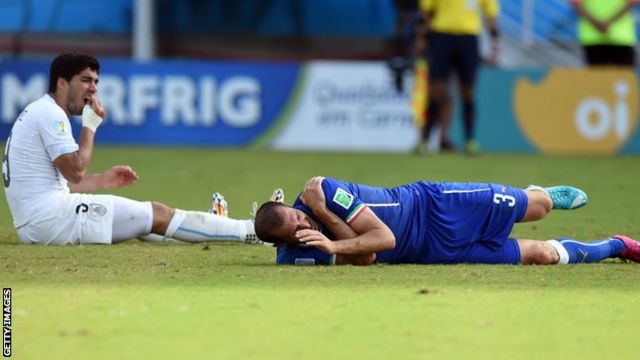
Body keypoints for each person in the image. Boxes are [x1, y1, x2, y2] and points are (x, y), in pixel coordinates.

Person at [2, 53, 259, 245]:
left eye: (96, 81)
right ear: (61, 83)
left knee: (141, 225)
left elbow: (58, 182)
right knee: (156, 214)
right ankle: (251, 230)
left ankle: (218, 226)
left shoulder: (40, 110)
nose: (93, 88)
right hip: (51, 220)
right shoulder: (51, 115)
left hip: (38, 222)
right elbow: (76, 171)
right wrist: (91, 124)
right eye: (85, 80)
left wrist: (103, 180)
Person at [253, 176, 640, 266]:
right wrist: (332, 242)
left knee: (536, 210)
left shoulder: (322, 191)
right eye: (296, 231)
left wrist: (322, 215)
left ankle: (542, 194)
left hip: (435, 205)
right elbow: (368, 258)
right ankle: (619, 245)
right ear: (284, 243)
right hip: (435, 251)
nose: (304, 224)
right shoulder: (296, 257)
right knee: (541, 255)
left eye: (299, 215)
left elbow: (383, 238)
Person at [414, 0, 500, 155]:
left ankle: (470, 141)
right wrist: (421, 37)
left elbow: (491, 16)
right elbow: (425, 12)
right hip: (442, 37)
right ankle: (425, 139)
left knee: (468, 91)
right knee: (436, 91)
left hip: (468, 39)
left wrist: (495, 44)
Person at [571, 0, 639, 67]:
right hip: (620, 36)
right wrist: (609, 22)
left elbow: (576, 4)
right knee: (623, 76)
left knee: (597, 76)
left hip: (594, 36)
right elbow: (631, 3)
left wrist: (597, 24)